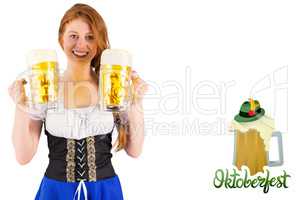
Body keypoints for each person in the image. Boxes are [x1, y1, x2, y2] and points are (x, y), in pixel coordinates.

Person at [8, 3, 148, 200]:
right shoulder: (46, 87)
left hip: (104, 192)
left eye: (90, 37)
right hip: (56, 192)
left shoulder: (112, 86)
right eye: (73, 36)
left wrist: (136, 102)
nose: (81, 45)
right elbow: (23, 157)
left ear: (99, 42)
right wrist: (20, 105)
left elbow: (135, 150)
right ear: (61, 39)